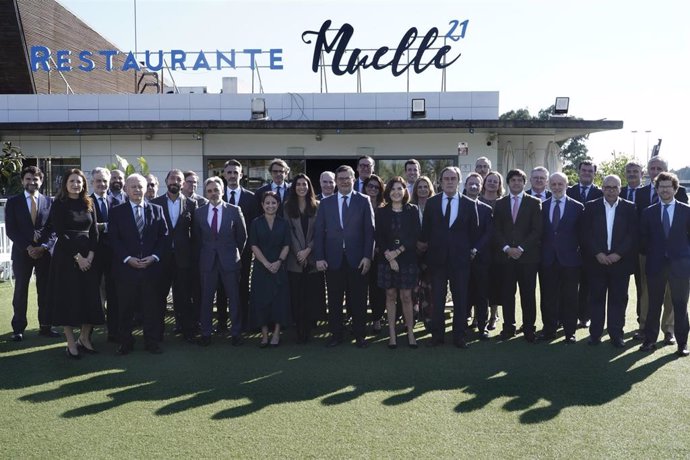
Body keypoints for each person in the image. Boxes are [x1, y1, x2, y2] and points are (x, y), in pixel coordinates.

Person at [314, 165, 375, 348]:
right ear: (336, 182)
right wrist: (319, 257)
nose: (344, 181)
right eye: (340, 179)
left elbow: (369, 232)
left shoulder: (364, 201)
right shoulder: (325, 203)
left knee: (358, 299)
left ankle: (360, 335)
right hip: (333, 260)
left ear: (353, 179)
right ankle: (336, 335)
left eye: (347, 178)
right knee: (334, 299)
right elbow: (318, 233)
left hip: (358, 259)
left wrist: (367, 256)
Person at [45, 169, 103, 358]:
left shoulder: (89, 203)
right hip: (66, 258)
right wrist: (78, 257)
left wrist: (90, 256)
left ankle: (84, 338)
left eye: (79, 181)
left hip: (89, 257)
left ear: (84, 184)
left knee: (90, 298)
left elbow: (94, 231)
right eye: (72, 181)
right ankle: (71, 342)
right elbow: (61, 233)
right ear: (65, 184)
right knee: (67, 299)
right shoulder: (59, 204)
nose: (76, 184)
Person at [419, 166, 479, 348]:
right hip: (437, 260)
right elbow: (426, 231)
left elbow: (474, 232)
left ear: (459, 181)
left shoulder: (469, 204)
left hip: (460, 261)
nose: (450, 181)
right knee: (437, 298)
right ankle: (437, 336)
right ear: (440, 181)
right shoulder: (432, 203)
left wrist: (468, 251)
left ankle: (459, 336)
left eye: (453, 178)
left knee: (461, 298)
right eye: (446, 178)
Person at [109, 173, 168, 354]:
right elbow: (114, 239)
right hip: (127, 269)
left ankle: (151, 342)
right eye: (133, 186)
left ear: (146, 188)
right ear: (126, 189)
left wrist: (154, 257)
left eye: (140, 186)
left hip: (150, 269)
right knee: (125, 308)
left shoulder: (156, 209)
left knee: (151, 308)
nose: (137, 190)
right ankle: (126, 342)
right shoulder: (117, 212)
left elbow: (164, 237)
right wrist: (128, 259)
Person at [634, 156, 689, 344]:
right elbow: (643, 238)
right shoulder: (648, 212)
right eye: (661, 187)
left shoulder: (686, 211)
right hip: (655, 264)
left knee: (680, 305)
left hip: (680, 266)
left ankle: (681, 343)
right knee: (653, 305)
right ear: (656, 189)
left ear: (675, 189)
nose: (665, 190)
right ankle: (649, 340)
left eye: (668, 187)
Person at [582, 175, 637, 347]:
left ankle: (616, 335)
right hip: (596, 262)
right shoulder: (590, 207)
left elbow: (633, 235)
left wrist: (618, 254)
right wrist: (598, 253)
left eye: (615, 187)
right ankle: (595, 335)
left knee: (618, 300)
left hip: (620, 263)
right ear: (602, 188)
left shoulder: (630, 207)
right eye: (607, 187)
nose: (611, 190)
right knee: (596, 299)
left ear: (620, 189)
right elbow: (585, 234)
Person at [5, 166, 57, 341]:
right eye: (28, 179)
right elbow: (11, 230)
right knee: (20, 290)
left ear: (41, 181)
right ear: (22, 181)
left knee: (46, 290)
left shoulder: (49, 202)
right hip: (22, 253)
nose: (32, 182)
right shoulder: (13, 202)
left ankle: (46, 326)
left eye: (35, 179)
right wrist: (28, 247)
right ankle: (18, 328)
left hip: (44, 254)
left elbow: (53, 229)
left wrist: (43, 247)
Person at [193, 177, 247, 346]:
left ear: (222, 191)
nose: (213, 193)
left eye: (216, 190)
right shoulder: (199, 212)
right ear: (206, 193)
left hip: (230, 261)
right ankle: (206, 333)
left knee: (234, 298)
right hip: (208, 262)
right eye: (209, 191)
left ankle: (236, 333)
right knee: (206, 299)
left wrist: (233, 253)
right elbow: (197, 238)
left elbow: (242, 237)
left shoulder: (234, 210)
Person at [493, 169, 542, 343]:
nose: (516, 183)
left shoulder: (535, 203)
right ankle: (509, 327)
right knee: (507, 294)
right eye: (512, 180)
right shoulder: (500, 204)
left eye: (519, 180)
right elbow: (496, 229)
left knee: (528, 294)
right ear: (508, 182)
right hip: (506, 258)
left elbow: (537, 231)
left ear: (524, 182)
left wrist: (521, 248)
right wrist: (507, 248)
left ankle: (529, 329)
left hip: (527, 258)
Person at [151, 169, 198, 342]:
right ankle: (157, 334)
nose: (175, 182)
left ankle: (188, 332)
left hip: (183, 259)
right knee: (158, 298)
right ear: (166, 181)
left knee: (184, 298)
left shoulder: (191, 204)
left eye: (179, 179)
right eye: (172, 178)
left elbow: (195, 234)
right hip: (161, 259)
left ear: (183, 183)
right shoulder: (154, 203)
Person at [538, 172, 584, 343]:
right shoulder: (542, 206)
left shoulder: (578, 207)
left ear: (566, 185)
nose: (557, 187)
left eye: (560, 184)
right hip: (548, 260)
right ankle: (549, 330)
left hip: (570, 261)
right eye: (554, 184)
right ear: (549, 185)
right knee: (548, 297)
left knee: (570, 297)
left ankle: (569, 331)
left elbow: (582, 234)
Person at [375, 177, 421, 348]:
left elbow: (415, 234)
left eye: (400, 188)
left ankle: (410, 332)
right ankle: (392, 334)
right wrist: (389, 255)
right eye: (393, 189)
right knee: (390, 295)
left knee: (407, 296)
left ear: (405, 191)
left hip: (407, 259)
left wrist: (397, 252)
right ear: (388, 192)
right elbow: (378, 236)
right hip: (386, 260)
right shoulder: (381, 212)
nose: (396, 192)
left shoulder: (412, 210)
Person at [221, 159, 260, 333]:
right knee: (221, 287)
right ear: (223, 174)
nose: (232, 175)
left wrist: (250, 248)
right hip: (220, 251)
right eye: (229, 172)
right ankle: (222, 323)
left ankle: (243, 322)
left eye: (235, 172)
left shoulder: (251, 198)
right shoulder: (217, 195)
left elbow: (254, 225)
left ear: (241, 175)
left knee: (243, 286)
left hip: (243, 252)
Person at [284, 174, 323, 343]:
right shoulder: (287, 207)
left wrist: (308, 250)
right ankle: (298, 329)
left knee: (310, 296)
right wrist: (299, 252)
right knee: (297, 296)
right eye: (298, 184)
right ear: (294, 187)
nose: (301, 187)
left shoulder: (318, 206)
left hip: (312, 258)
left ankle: (308, 329)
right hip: (295, 259)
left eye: (305, 184)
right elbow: (288, 232)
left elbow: (320, 232)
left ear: (309, 187)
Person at [249, 191, 291, 347]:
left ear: (278, 205)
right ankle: (265, 335)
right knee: (261, 301)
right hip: (261, 268)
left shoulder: (283, 223)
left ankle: (276, 334)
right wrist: (266, 263)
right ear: (262, 205)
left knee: (279, 301)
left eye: (273, 203)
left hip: (279, 267)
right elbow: (253, 245)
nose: (270, 205)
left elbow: (287, 244)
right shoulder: (255, 223)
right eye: (267, 203)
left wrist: (279, 261)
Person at [566, 160, 603, 329]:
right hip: (570, 247)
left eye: (590, 171)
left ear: (594, 174)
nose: (587, 173)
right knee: (569, 285)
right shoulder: (568, 191)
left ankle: (584, 316)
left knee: (588, 284)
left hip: (591, 248)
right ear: (579, 171)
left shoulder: (601, 193)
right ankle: (567, 316)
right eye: (584, 170)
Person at [90, 167, 120, 342]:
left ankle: (113, 331)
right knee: (93, 294)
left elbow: (119, 226)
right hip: (93, 255)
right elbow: (88, 228)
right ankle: (88, 333)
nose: (102, 184)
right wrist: (105, 226)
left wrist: (103, 226)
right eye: (98, 181)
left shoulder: (116, 201)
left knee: (114, 294)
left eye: (104, 181)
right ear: (93, 182)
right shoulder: (86, 202)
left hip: (114, 255)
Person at [464, 172, 493, 339]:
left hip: (481, 259)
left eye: (477, 184)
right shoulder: (458, 206)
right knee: (463, 293)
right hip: (461, 258)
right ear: (466, 185)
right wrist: (465, 250)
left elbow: (488, 233)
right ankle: (461, 325)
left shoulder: (486, 209)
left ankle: (482, 327)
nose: (474, 186)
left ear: (481, 187)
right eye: (471, 183)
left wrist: (475, 249)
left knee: (482, 295)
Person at [411, 176, 436, 332]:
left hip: (432, 253)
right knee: (413, 288)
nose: (422, 190)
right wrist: (416, 244)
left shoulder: (436, 206)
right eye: (419, 187)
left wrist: (428, 244)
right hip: (412, 253)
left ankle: (429, 319)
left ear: (430, 189)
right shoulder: (409, 207)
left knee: (429, 288)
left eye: (425, 187)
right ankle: (412, 318)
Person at [480, 171, 504, 330]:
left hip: (499, 249)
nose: (492, 183)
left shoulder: (503, 203)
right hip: (481, 248)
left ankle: (493, 315)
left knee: (495, 282)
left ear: (499, 185)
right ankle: (478, 315)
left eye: (495, 181)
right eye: (489, 181)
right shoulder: (476, 201)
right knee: (480, 282)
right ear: (484, 182)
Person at [363, 174, 385, 332]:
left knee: (378, 288)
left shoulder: (384, 208)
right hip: (360, 253)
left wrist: (379, 246)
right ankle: (358, 318)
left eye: (376, 187)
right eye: (370, 186)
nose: (373, 189)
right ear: (365, 188)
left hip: (379, 254)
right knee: (360, 288)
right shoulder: (358, 205)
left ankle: (377, 318)